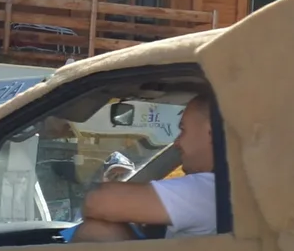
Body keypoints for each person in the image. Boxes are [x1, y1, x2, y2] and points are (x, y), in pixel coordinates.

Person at [74, 96, 218, 241]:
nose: (177, 142)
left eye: (183, 129)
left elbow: (96, 201)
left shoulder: (207, 189)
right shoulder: (223, 192)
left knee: (97, 231)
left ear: (211, 133)